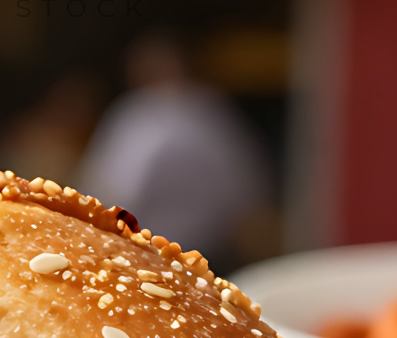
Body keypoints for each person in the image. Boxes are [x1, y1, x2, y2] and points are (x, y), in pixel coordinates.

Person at [76, 33, 269, 269]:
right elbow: (247, 191)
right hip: (208, 255)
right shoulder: (215, 113)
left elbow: (117, 190)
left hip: (149, 254)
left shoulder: (137, 113)